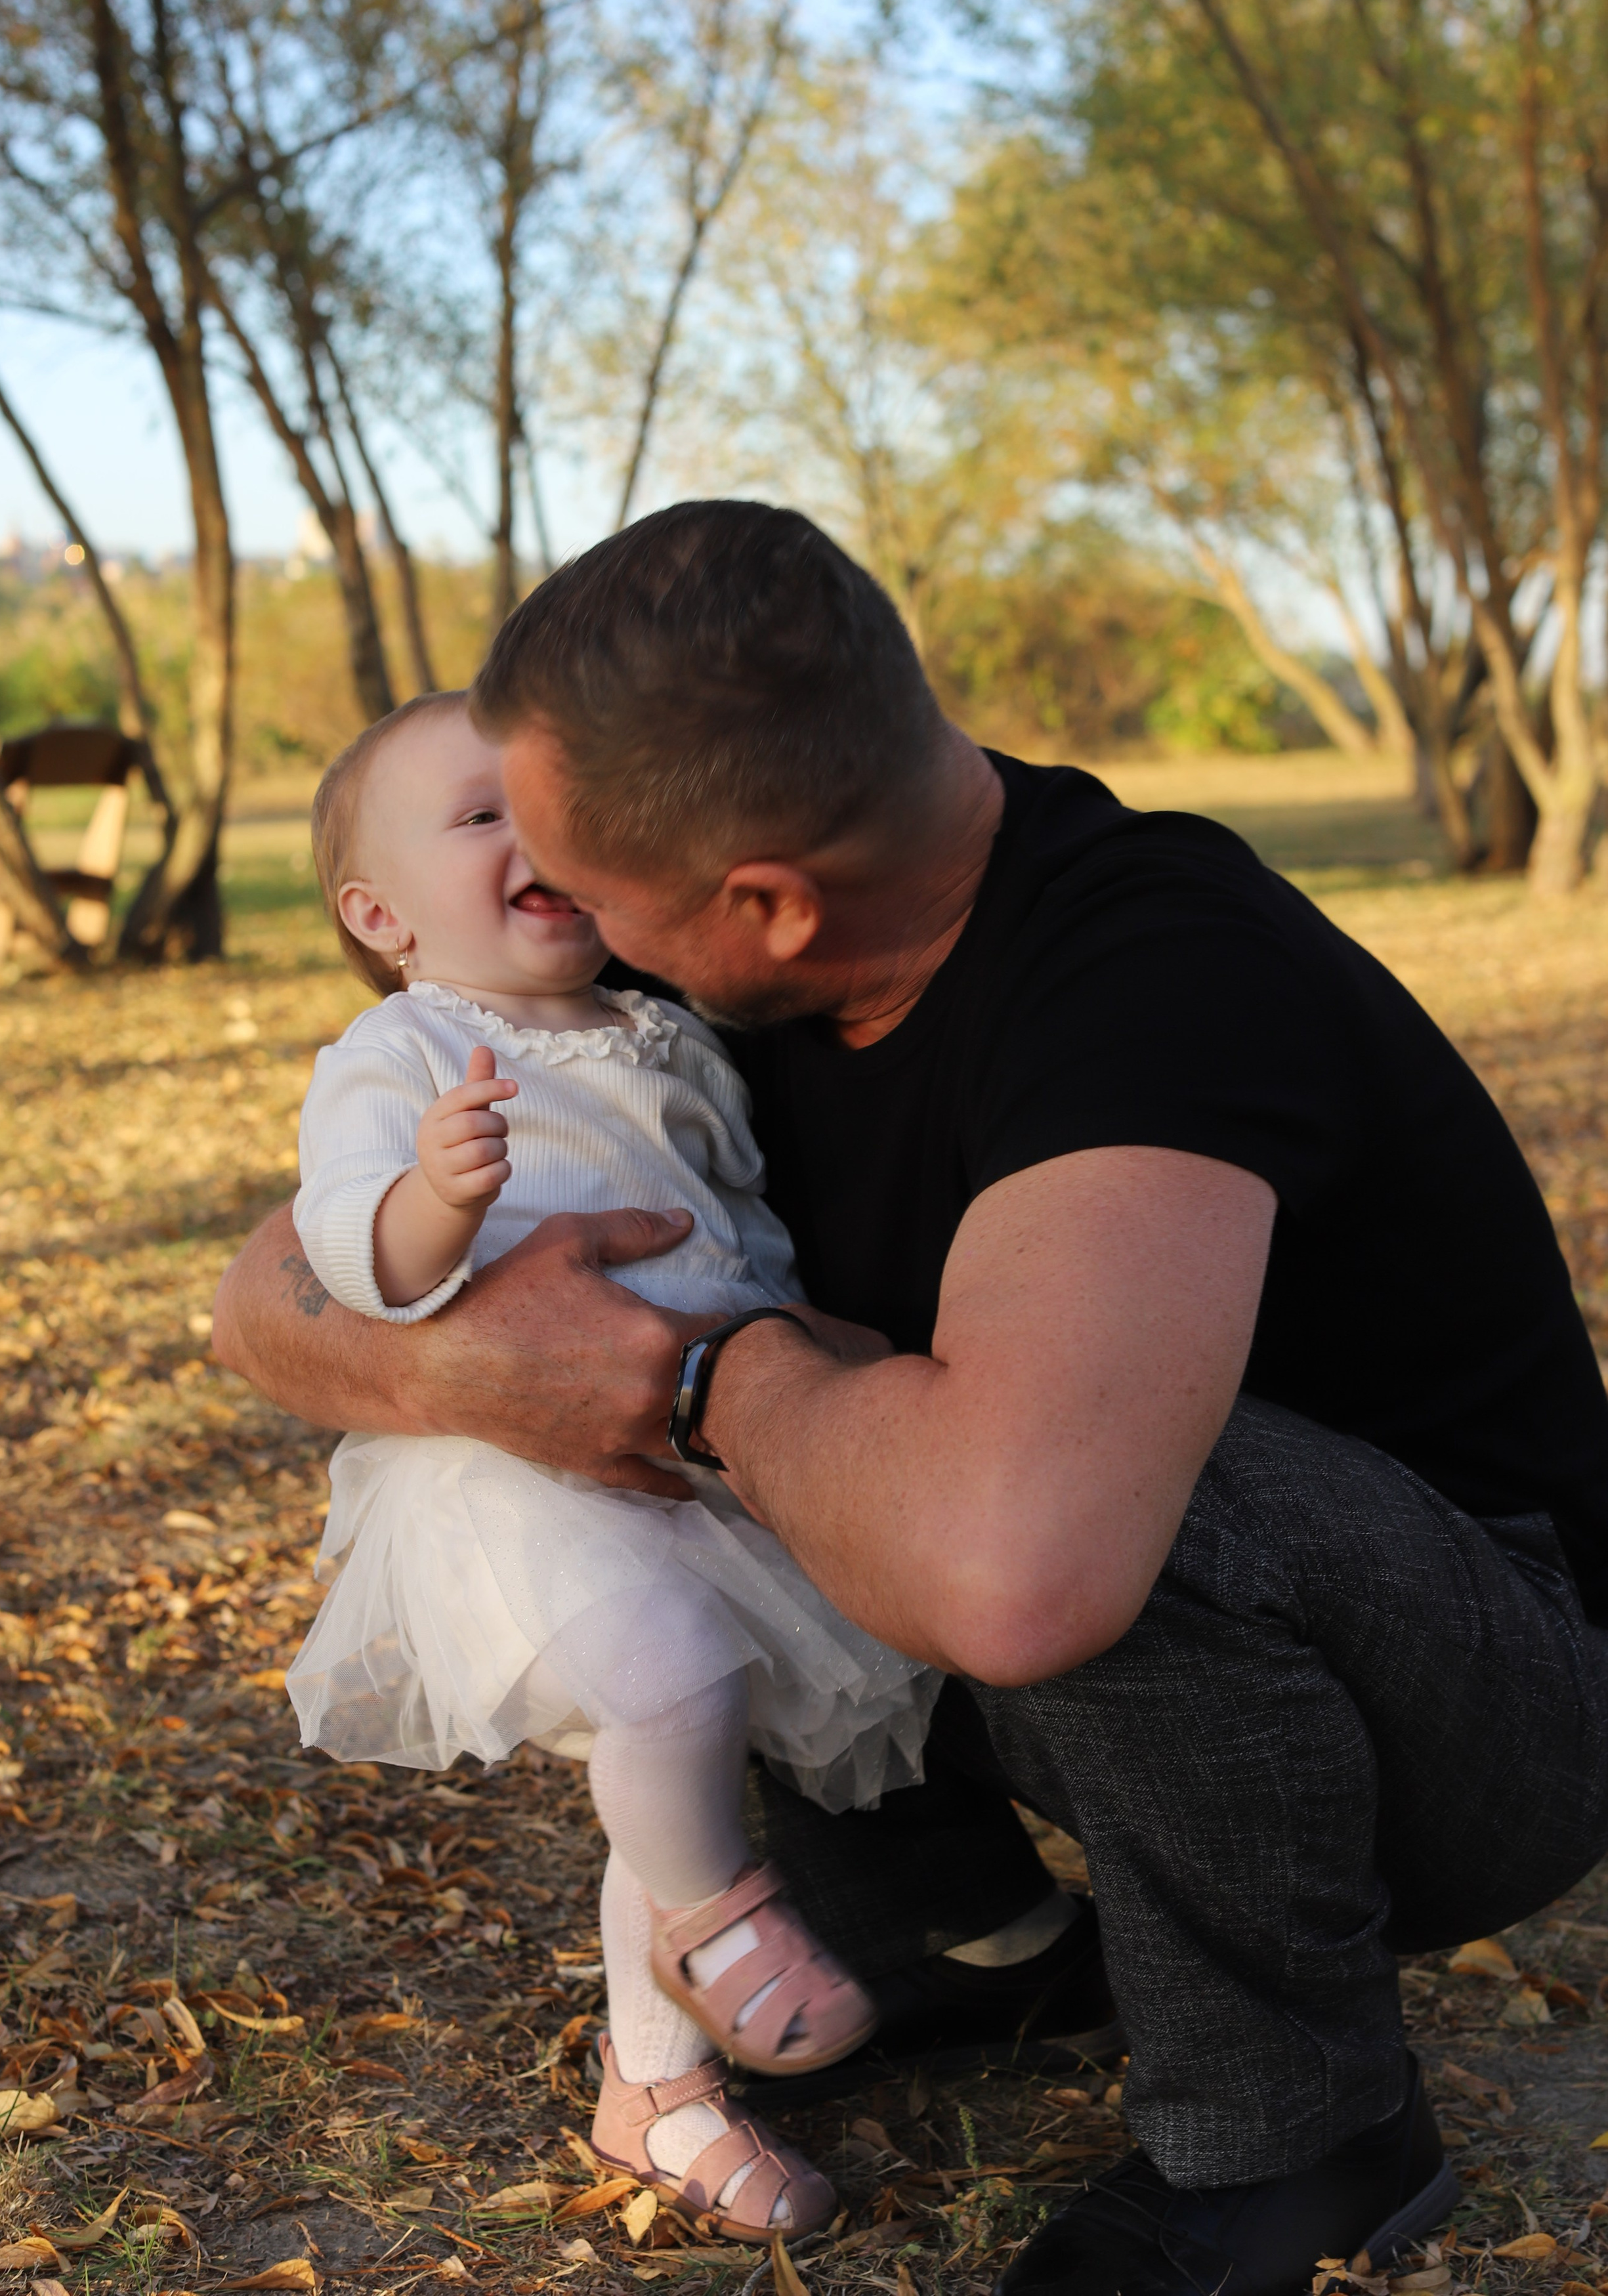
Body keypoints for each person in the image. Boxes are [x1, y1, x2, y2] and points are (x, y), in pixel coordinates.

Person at [215, 502, 1608, 2296]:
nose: (565, 917)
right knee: (856, 1460)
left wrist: (692, 1370)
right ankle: (974, 1939)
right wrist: (468, 1357)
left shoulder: (1152, 975)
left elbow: (1025, 1565)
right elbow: (270, 1287)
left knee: (1019, 1477)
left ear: (767, 904)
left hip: (1483, 1694)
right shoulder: (700, 911)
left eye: (590, 889)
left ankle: (1306, 2129)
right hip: (1128, 1654)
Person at [282, 689, 942, 2243]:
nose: (535, 837)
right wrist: (432, 1202)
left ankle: (658, 2099)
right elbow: (340, 1243)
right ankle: (724, 1929)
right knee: (671, 1692)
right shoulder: (404, 1043)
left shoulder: (666, 1028)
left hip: (699, 1464)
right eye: (478, 815)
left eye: (549, 805)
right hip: (514, 1485)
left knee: (677, 1760)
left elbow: (738, 1224)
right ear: (380, 915)